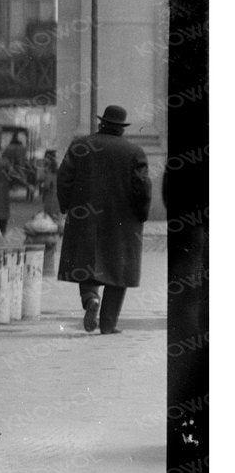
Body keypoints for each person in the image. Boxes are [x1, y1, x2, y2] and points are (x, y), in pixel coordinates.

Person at [57, 104, 151, 335]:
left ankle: (90, 298)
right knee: (118, 268)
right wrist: (142, 214)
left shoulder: (80, 145)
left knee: (86, 260)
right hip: (124, 221)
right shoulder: (134, 152)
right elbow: (143, 188)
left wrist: (67, 206)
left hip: (85, 216)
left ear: (102, 123)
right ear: (122, 128)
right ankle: (108, 324)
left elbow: (64, 178)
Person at [39, 149, 62, 220]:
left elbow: (46, 185)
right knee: (56, 218)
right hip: (57, 198)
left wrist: (42, 186)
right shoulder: (57, 170)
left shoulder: (50, 171)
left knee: (50, 219)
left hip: (50, 199)